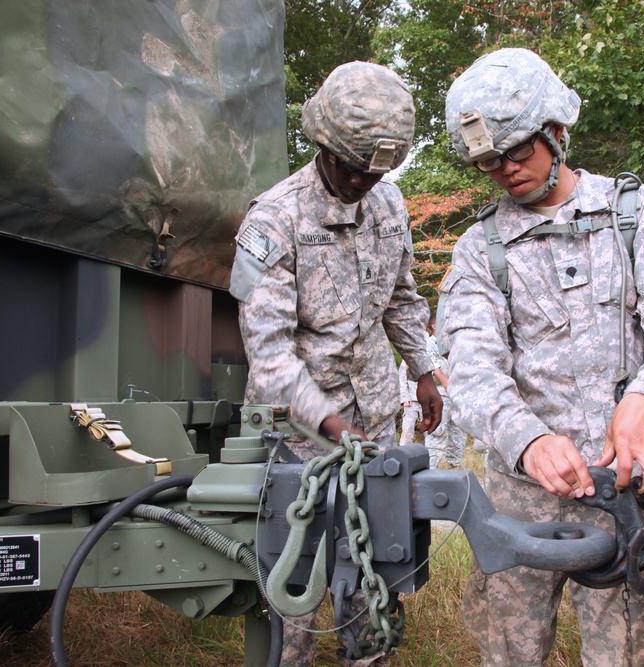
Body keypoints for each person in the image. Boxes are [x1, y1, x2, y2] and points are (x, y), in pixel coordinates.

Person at [439, 48, 644, 667]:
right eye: (490, 162)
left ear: (557, 132)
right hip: (523, 504)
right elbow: (470, 365)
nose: (506, 170)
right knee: (509, 654)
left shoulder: (637, 214)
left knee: (624, 656)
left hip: (627, 496)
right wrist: (527, 439)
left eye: (518, 151)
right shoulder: (477, 250)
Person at [230, 61, 443, 666]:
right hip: (296, 434)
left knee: (374, 557)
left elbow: (400, 295)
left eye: (376, 171)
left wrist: (423, 370)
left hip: (373, 417)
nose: (362, 182)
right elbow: (267, 354)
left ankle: (367, 654)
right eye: (352, 167)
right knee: (294, 570)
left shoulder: (389, 203)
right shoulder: (272, 219)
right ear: (322, 143)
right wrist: (328, 424)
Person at [424, 312, 466, 468]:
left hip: (456, 392)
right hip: (440, 392)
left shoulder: (452, 342)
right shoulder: (430, 343)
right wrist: (447, 384)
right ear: (434, 326)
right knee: (437, 431)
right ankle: (429, 470)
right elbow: (435, 368)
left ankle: (454, 468)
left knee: (458, 433)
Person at [397, 359, 422, 445]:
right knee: (407, 430)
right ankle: (403, 454)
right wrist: (405, 398)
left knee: (431, 432)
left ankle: (431, 456)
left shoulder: (431, 352)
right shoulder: (409, 356)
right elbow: (402, 377)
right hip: (411, 400)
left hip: (426, 400)